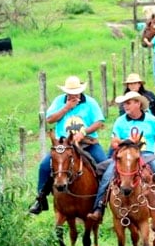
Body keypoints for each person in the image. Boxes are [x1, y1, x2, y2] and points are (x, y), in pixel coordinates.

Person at [28, 76, 108, 215]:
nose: (74, 95)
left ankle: (104, 199)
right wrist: (66, 108)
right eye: (71, 92)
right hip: (64, 145)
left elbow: (99, 122)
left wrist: (83, 132)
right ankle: (40, 198)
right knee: (45, 166)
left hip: (87, 142)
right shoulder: (60, 101)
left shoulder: (90, 102)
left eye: (76, 92)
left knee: (104, 164)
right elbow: (50, 119)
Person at [88, 91, 155, 222]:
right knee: (107, 177)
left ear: (138, 103)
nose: (125, 106)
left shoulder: (152, 121)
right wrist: (128, 141)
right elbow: (114, 142)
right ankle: (99, 207)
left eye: (129, 103)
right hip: (124, 156)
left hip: (147, 154)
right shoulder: (120, 121)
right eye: (125, 103)